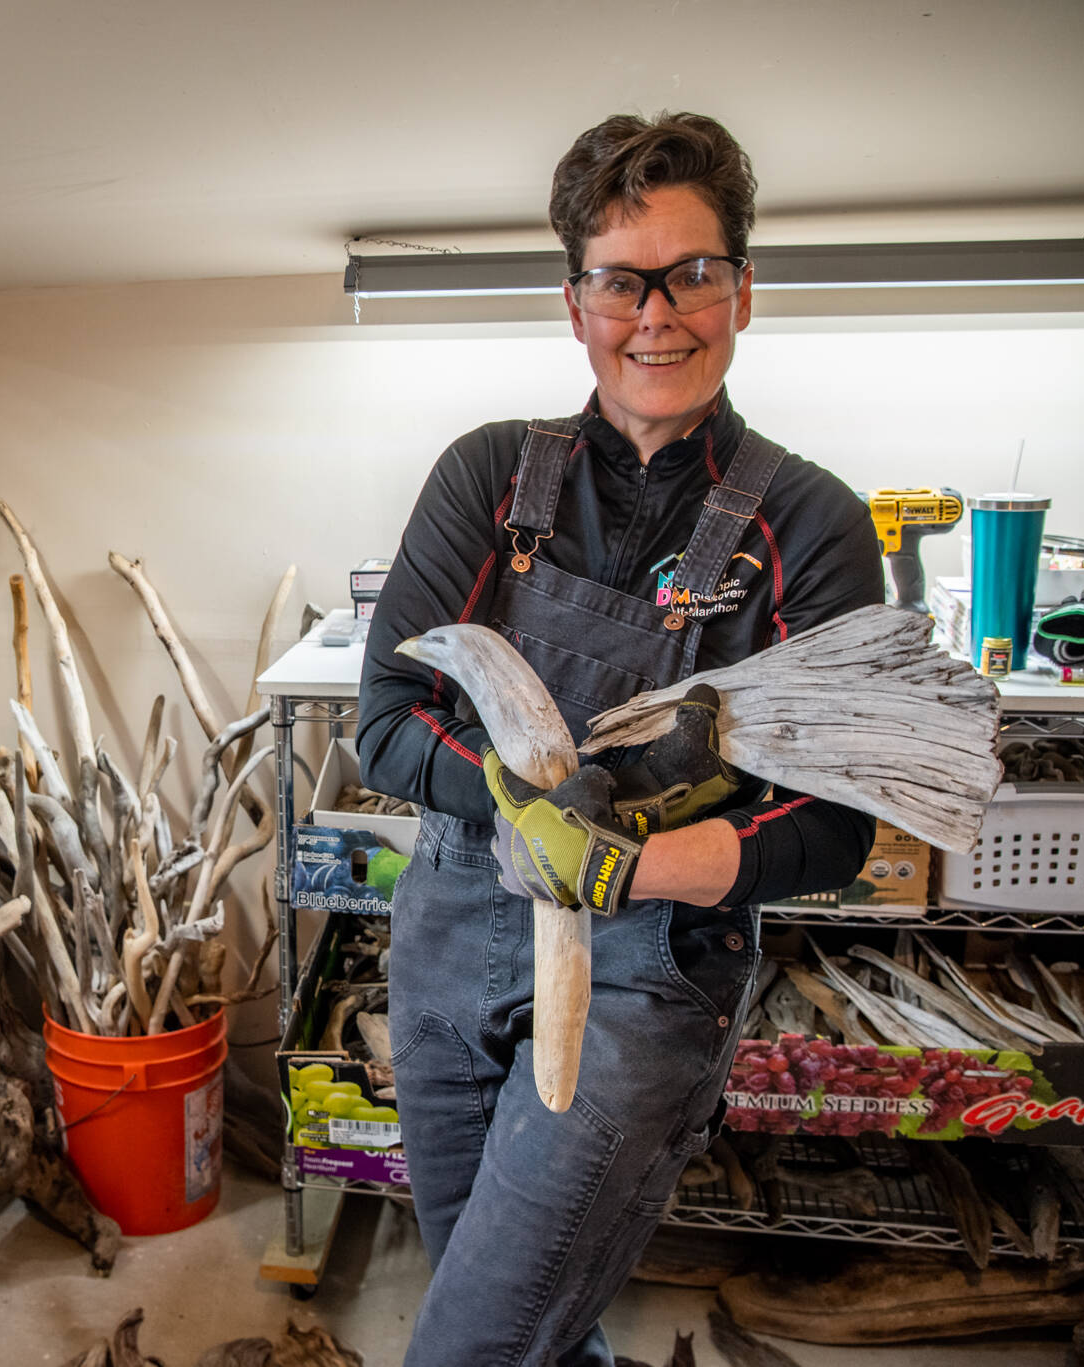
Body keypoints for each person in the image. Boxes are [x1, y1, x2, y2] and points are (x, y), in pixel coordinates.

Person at [356, 112, 886, 1366]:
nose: (657, 312)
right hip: (446, 950)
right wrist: (512, 798)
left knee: (469, 1344)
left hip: (644, 978)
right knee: (525, 1317)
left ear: (741, 290)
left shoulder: (805, 524)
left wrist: (628, 863)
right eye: (619, 280)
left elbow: (831, 825)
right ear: (574, 299)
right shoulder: (487, 475)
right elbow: (384, 720)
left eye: (692, 273)